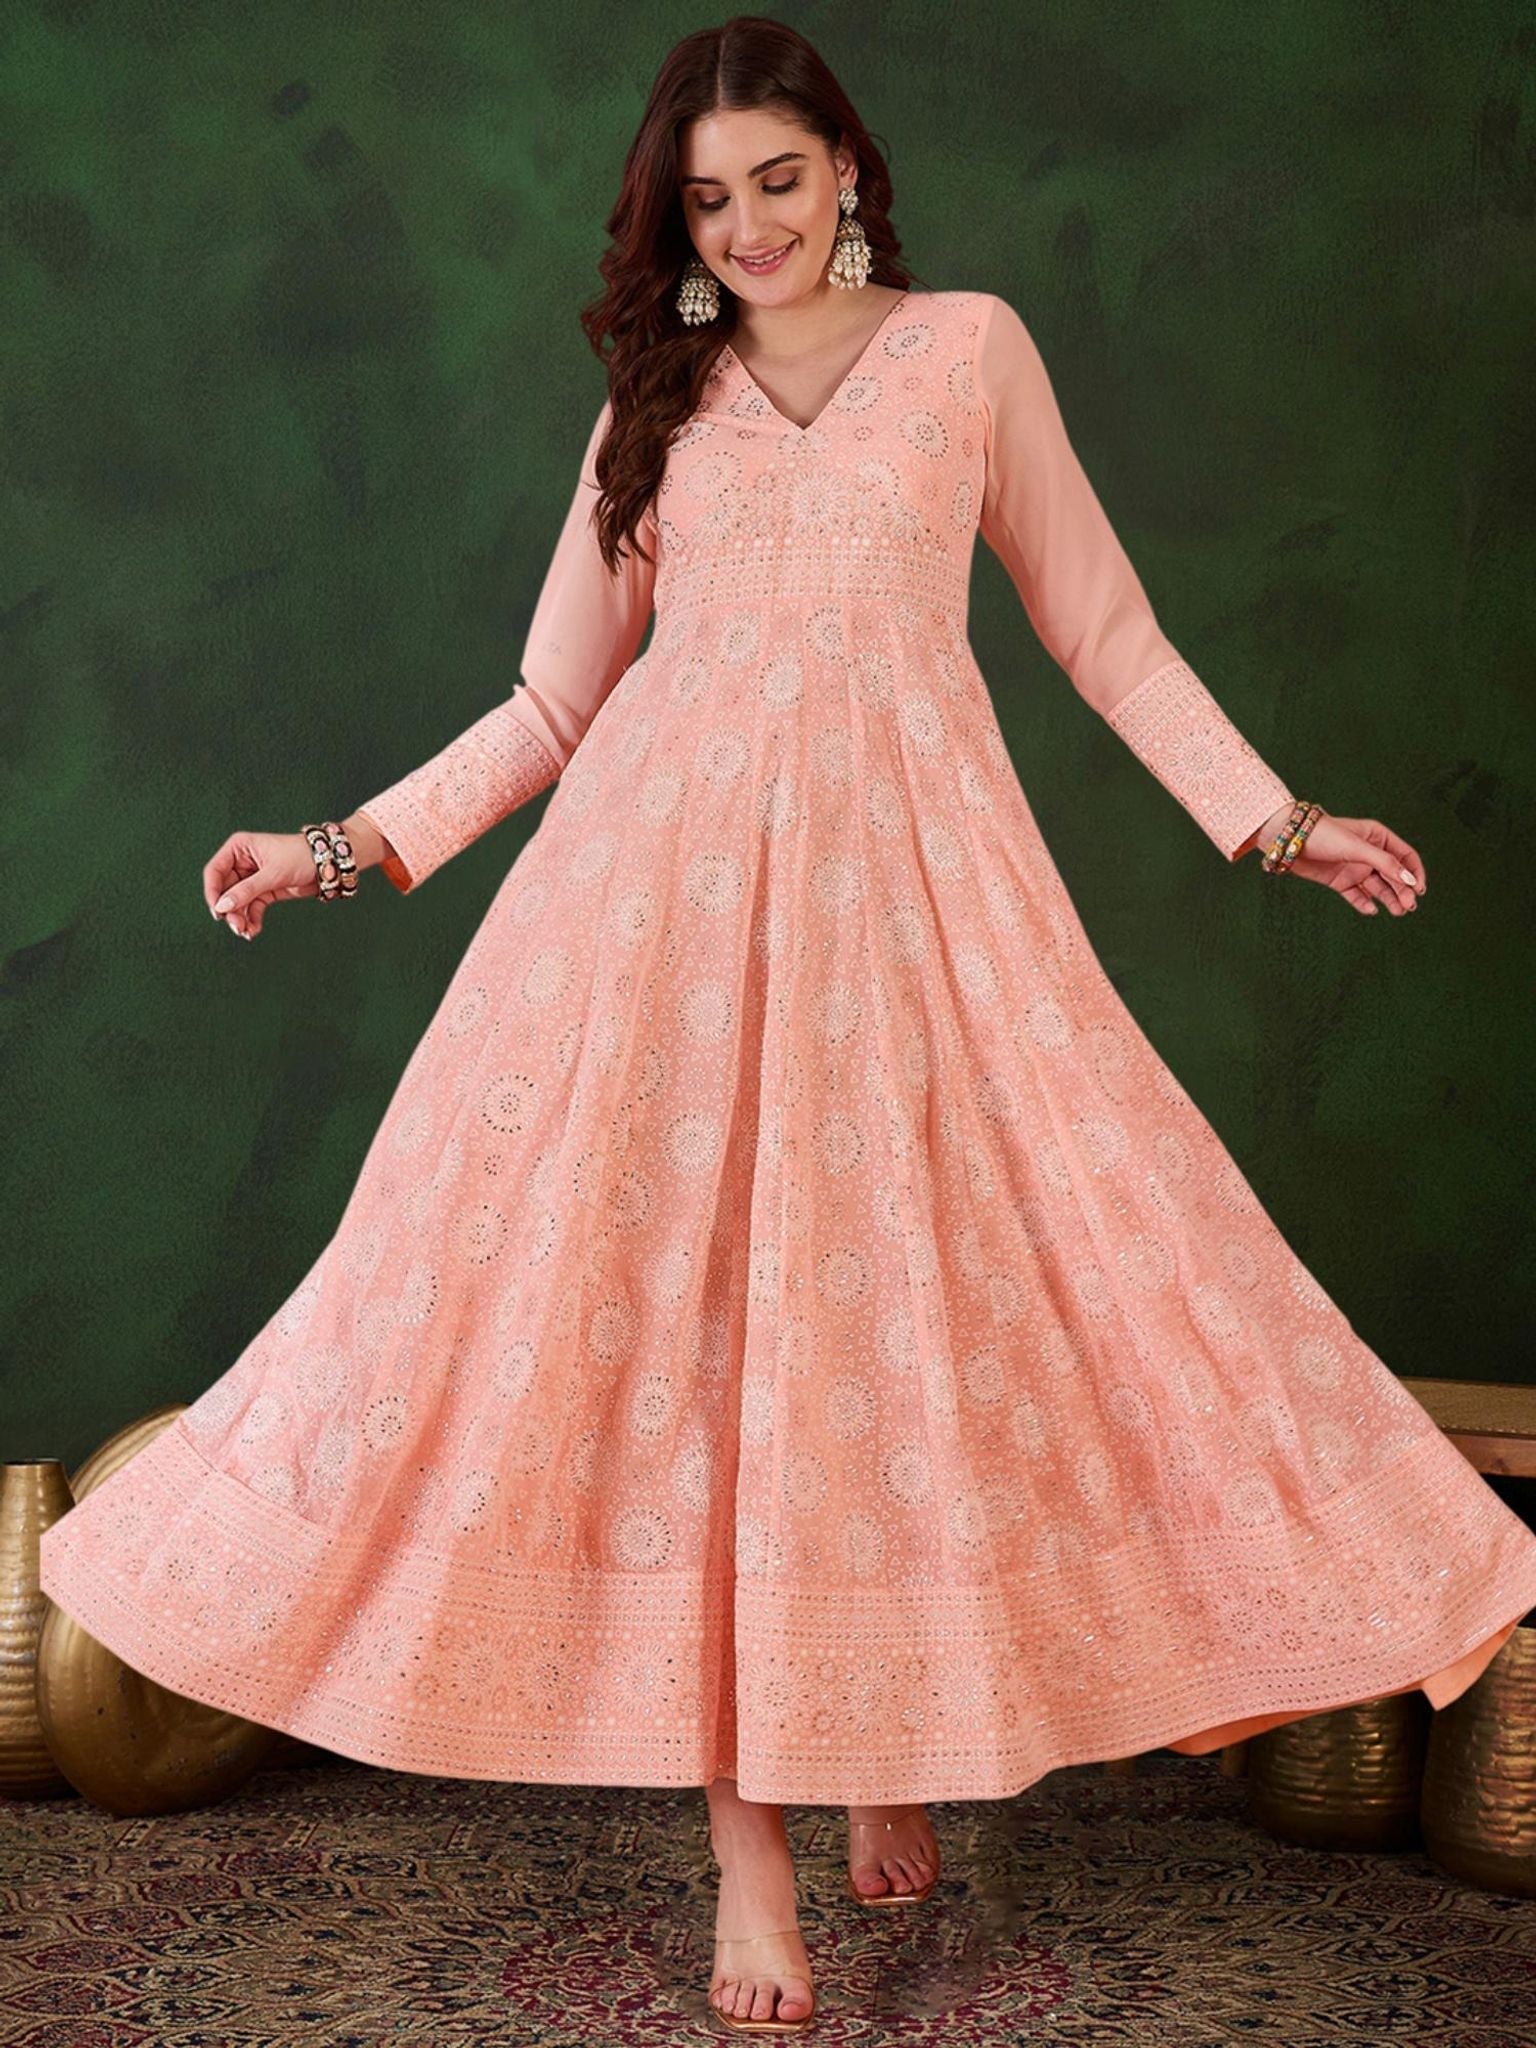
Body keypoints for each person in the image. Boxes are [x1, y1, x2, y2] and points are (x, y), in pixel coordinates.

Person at [41, 17, 1536, 2037]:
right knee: (701, 1361)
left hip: (915, 919)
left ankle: (881, 1733)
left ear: (848, 169)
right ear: (675, 221)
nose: (747, 227)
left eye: (779, 180)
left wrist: (1275, 822)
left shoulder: (971, 352)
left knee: (910, 1317)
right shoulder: (654, 405)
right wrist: (338, 847)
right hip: (652, 931)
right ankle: (753, 1853)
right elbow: (554, 706)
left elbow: (1107, 634)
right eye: (708, 200)